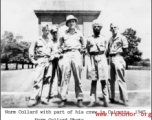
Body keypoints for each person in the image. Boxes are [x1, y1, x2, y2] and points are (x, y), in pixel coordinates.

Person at [58, 15, 85, 107]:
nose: (71, 23)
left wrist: (81, 51)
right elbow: (59, 45)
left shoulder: (80, 33)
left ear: (75, 23)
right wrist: (60, 52)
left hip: (76, 54)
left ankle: (80, 98)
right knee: (65, 77)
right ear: (67, 24)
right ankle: (63, 98)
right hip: (66, 54)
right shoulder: (63, 34)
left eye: (73, 21)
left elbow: (84, 45)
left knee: (77, 76)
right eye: (69, 22)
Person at [28, 24, 53, 106]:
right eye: (46, 30)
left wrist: (52, 57)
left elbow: (53, 50)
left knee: (47, 80)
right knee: (37, 80)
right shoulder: (37, 39)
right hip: (40, 60)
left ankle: (44, 98)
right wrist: (33, 60)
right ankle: (33, 99)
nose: (47, 32)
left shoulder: (50, 41)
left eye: (48, 30)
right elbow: (31, 49)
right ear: (42, 31)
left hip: (49, 61)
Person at [86, 19, 109, 107]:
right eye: (94, 26)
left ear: (100, 28)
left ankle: (106, 100)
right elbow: (87, 50)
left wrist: (102, 57)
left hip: (102, 58)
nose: (96, 28)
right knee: (93, 80)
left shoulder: (104, 38)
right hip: (92, 59)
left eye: (98, 26)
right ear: (93, 28)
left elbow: (106, 50)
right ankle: (92, 100)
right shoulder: (89, 38)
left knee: (103, 80)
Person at [106, 23, 129, 106]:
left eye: (115, 27)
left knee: (120, 78)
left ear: (118, 28)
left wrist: (120, 57)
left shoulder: (122, 37)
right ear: (110, 29)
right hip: (110, 58)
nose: (113, 28)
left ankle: (124, 99)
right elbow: (108, 50)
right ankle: (111, 97)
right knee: (110, 79)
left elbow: (126, 50)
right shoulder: (110, 39)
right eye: (111, 27)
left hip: (118, 57)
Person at [49, 25, 62, 98]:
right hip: (52, 60)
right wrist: (52, 55)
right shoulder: (50, 42)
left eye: (56, 32)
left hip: (60, 60)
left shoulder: (61, 41)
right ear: (51, 34)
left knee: (60, 77)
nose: (55, 34)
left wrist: (60, 54)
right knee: (51, 76)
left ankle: (60, 93)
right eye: (53, 33)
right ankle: (51, 93)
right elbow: (48, 51)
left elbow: (63, 49)